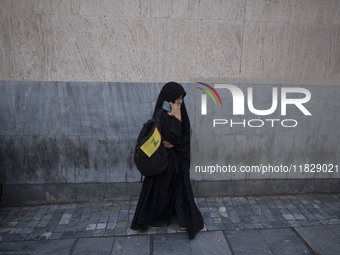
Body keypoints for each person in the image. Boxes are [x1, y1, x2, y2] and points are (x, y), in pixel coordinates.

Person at [131, 82, 204, 239]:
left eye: (181, 98)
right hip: (164, 162)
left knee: (179, 189)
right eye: (177, 98)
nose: (180, 102)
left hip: (177, 160)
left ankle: (183, 219)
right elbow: (170, 137)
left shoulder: (179, 112)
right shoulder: (162, 113)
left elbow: (181, 136)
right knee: (161, 189)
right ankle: (159, 218)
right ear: (168, 98)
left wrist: (177, 120)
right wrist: (175, 125)